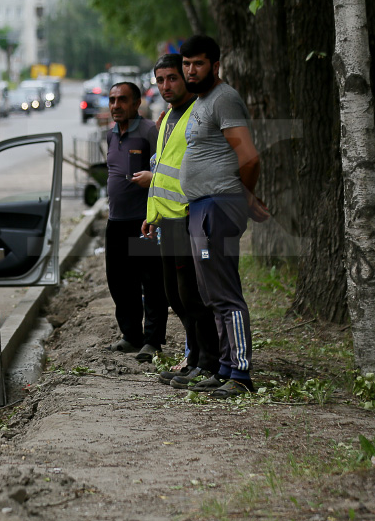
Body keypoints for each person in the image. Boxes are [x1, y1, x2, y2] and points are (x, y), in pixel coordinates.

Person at [178, 35, 269, 398]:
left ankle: (241, 375)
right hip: (202, 206)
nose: (190, 70)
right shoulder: (202, 101)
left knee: (225, 293)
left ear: (215, 66)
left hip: (218, 204)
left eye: (198, 64)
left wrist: (243, 197)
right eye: (186, 64)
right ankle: (225, 368)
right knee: (211, 292)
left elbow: (249, 157)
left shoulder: (224, 98)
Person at [140, 55, 221, 389]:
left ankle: (209, 363)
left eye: (172, 78)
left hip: (191, 217)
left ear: (186, 76)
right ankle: (193, 359)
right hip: (168, 220)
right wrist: (153, 216)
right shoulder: (167, 118)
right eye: (160, 80)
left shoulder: (197, 115)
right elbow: (162, 170)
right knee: (175, 294)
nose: (165, 86)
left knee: (193, 295)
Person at [103, 81, 167, 362]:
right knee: (119, 281)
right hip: (116, 221)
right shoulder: (110, 135)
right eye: (112, 100)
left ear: (137, 103)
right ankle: (131, 336)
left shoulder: (150, 131)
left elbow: (164, 170)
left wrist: (156, 216)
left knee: (151, 283)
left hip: (143, 221)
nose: (116, 105)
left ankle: (152, 341)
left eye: (122, 100)